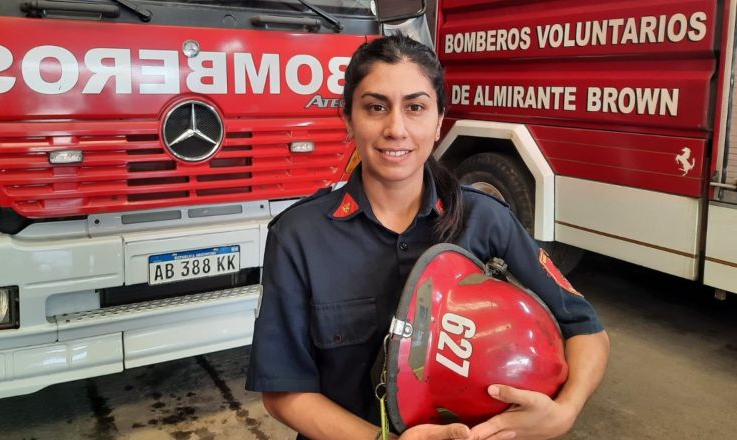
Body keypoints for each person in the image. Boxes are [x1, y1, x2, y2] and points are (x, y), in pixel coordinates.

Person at [246, 34, 609, 440]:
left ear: (438, 123)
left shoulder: (484, 219)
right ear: (348, 119)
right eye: (375, 107)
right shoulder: (299, 236)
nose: (395, 128)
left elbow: (587, 329)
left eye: (415, 107)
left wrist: (565, 411)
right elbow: (283, 392)